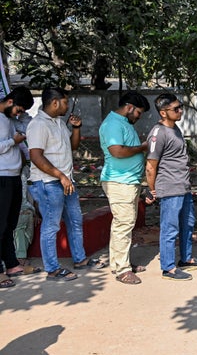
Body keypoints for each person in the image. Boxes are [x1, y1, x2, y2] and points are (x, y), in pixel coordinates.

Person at [28, 88, 106, 282]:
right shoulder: (38, 125)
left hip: (65, 180)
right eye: (65, 102)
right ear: (55, 102)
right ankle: (52, 269)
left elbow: (73, 146)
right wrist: (60, 175)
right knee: (51, 225)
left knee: (75, 221)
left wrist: (76, 128)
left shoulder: (59, 123)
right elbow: (36, 156)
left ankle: (80, 260)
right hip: (48, 183)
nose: (67, 105)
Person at [146, 93, 197, 281]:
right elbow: (150, 165)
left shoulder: (175, 129)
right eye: (176, 108)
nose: (180, 110)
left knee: (187, 223)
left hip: (183, 185)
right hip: (170, 186)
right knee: (170, 227)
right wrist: (151, 189)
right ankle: (168, 268)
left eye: (180, 107)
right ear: (164, 112)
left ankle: (186, 258)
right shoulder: (158, 133)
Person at [98, 91, 150, 285]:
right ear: (129, 107)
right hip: (119, 181)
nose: (139, 116)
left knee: (126, 223)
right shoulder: (113, 124)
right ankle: (122, 269)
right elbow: (117, 151)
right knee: (123, 223)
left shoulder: (123, 124)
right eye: (138, 112)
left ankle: (122, 262)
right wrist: (143, 148)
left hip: (127, 181)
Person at [0, 87, 35, 287]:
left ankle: (12, 264)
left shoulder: (11, 119)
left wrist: (21, 119)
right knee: (1, 225)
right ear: (10, 101)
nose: (19, 114)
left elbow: (27, 125)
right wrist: (12, 141)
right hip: (1, 176)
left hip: (14, 175)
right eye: (19, 109)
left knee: (10, 224)